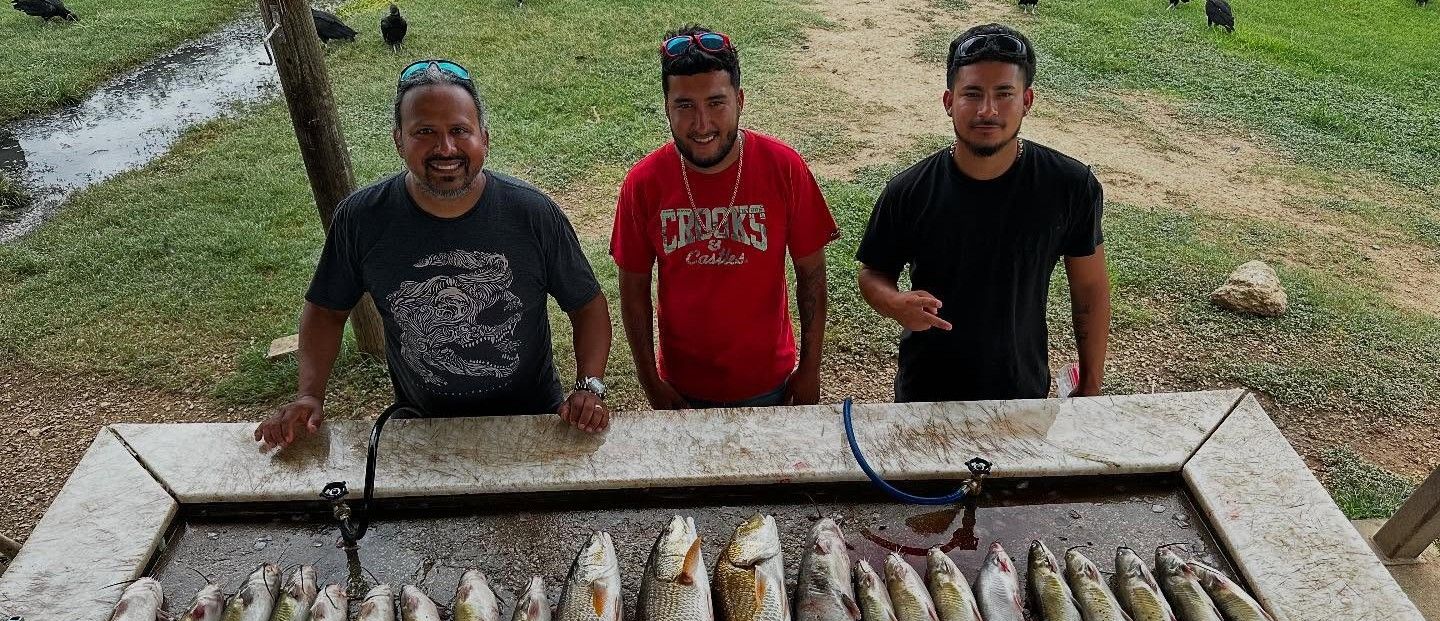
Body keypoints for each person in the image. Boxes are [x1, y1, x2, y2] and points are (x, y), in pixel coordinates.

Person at [256, 59, 612, 450]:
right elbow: (326, 311)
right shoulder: (361, 219)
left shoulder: (532, 214)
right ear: (398, 140)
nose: (446, 148)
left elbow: (587, 306)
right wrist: (309, 395)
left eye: (460, 130)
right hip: (423, 424)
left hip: (534, 417)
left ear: (484, 139)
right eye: (424, 132)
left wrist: (588, 386)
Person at [855, 24, 1111, 402]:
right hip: (924, 394)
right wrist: (893, 303)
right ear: (948, 101)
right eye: (972, 94)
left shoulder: (1069, 186)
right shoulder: (909, 190)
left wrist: (1090, 382)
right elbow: (873, 272)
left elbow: (1089, 287)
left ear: (1027, 100)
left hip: (1021, 391)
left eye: (1004, 94)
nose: (987, 110)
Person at [610, 26, 839, 410]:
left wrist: (810, 368)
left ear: (740, 100)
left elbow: (812, 275)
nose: (702, 124)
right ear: (666, 106)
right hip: (682, 387)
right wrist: (650, 380)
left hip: (771, 382)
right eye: (685, 106)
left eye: (716, 102)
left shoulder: (784, 168)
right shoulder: (644, 183)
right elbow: (632, 288)